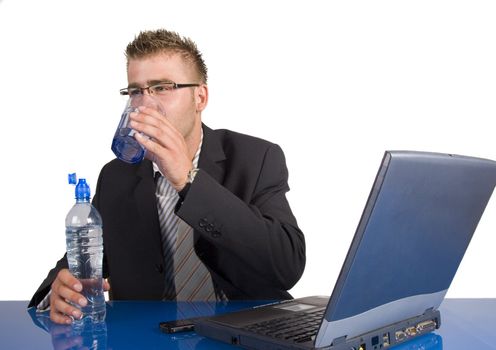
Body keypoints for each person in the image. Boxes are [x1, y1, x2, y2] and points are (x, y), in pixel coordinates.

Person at [29, 29, 306, 324]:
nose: (145, 104)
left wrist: (188, 180)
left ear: (200, 97)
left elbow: (287, 266)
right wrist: (58, 292)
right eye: (136, 91)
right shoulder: (116, 177)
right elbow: (79, 266)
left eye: (162, 87)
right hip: (150, 337)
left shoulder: (255, 158)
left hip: (243, 333)